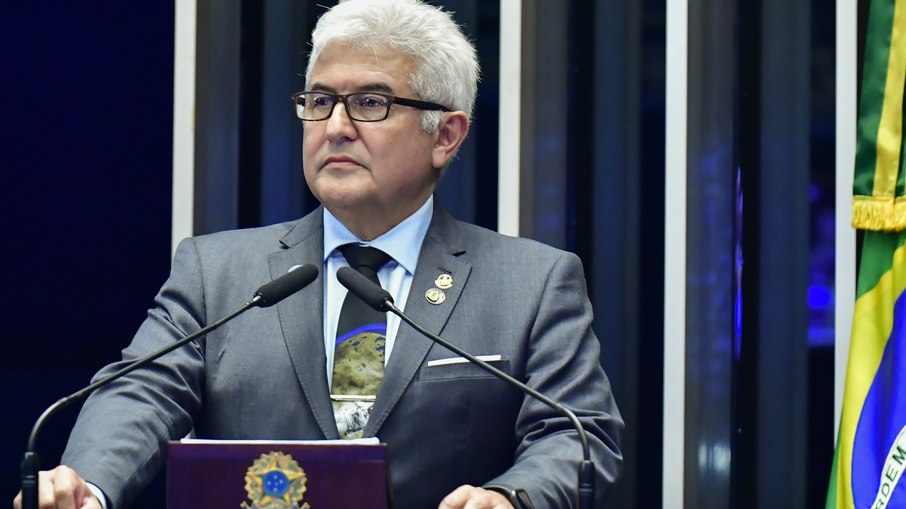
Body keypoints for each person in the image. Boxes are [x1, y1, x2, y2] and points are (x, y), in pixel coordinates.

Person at [13, 0, 623, 508]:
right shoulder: (219, 273)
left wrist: (514, 499)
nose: (334, 126)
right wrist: (87, 487)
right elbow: (141, 391)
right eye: (319, 100)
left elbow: (578, 435)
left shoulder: (531, 283)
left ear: (446, 134)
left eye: (371, 103)